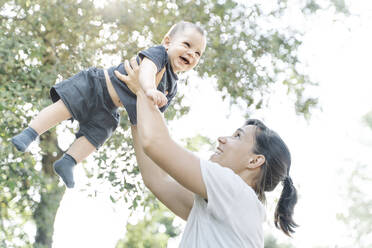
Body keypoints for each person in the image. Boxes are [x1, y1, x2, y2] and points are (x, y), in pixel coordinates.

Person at [115, 58, 298, 247]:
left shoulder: (234, 189)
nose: (222, 138)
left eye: (237, 136)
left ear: (254, 161)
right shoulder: (230, 205)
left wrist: (144, 90)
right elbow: (157, 180)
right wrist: (137, 105)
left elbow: (156, 143)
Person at [11, 21, 207, 188]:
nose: (191, 53)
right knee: (64, 107)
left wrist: (154, 116)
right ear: (167, 42)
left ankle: (68, 161)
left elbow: (155, 116)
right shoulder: (159, 55)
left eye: (198, 53)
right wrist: (148, 89)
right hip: (96, 85)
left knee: (98, 134)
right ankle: (30, 132)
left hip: (110, 108)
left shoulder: (172, 87)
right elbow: (147, 71)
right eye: (187, 45)